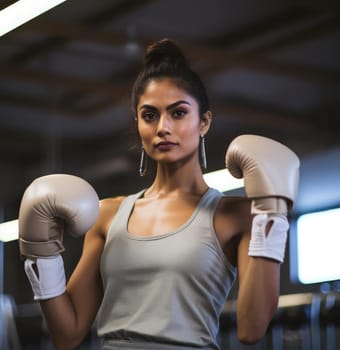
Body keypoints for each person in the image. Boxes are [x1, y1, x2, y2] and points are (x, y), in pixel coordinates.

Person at [18, 38, 300, 350]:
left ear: (203, 121)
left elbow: (252, 329)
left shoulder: (236, 215)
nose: (162, 127)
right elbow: (67, 334)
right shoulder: (108, 215)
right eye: (150, 115)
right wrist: (40, 254)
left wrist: (271, 211)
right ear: (137, 123)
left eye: (178, 113)